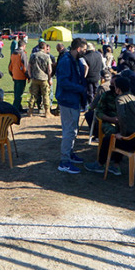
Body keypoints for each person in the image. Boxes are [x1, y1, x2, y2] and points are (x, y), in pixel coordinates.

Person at [84, 75, 135, 176]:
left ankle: (99, 164)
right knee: (114, 137)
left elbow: (122, 118)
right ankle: (115, 166)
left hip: (130, 141)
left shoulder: (120, 99)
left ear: (118, 88)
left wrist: (122, 134)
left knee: (109, 139)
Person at [55, 37, 88, 173]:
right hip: (68, 100)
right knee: (69, 131)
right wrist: (80, 88)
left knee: (73, 129)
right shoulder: (66, 61)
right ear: (78, 49)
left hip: (74, 100)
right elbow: (63, 82)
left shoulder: (74, 60)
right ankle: (64, 161)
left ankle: (70, 153)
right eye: (84, 50)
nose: (85, 52)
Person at [28, 42, 52, 117]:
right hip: (44, 78)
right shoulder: (47, 56)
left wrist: (30, 75)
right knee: (45, 95)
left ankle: (30, 111)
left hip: (35, 78)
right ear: (45, 48)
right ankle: (47, 112)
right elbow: (49, 69)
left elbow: (29, 66)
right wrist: (49, 78)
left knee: (33, 95)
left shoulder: (33, 55)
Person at [8, 43, 28, 111]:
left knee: (16, 92)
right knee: (19, 94)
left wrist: (12, 74)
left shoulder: (13, 53)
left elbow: (10, 66)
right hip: (21, 76)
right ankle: (15, 108)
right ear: (23, 46)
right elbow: (25, 66)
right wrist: (28, 76)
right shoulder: (22, 54)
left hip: (15, 75)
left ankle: (19, 107)